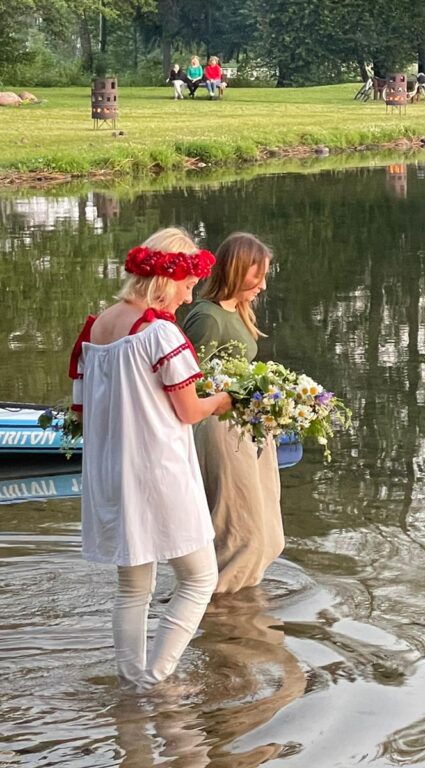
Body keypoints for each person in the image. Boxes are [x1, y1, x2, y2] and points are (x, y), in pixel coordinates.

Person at [70, 227, 232, 693]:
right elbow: (189, 410)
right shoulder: (159, 333)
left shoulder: (96, 328)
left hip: (111, 474)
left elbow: (82, 409)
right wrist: (223, 399)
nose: (188, 296)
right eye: (186, 285)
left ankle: (130, 682)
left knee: (133, 587)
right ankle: (156, 681)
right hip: (158, 472)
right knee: (200, 578)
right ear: (167, 278)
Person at [182, 233, 283, 594]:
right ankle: (211, 606)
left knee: (269, 534)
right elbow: (184, 382)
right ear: (238, 270)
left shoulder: (238, 311)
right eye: (258, 276)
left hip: (247, 428)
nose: (263, 285)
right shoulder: (206, 317)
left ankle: (238, 612)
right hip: (218, 430)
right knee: (239, 534)